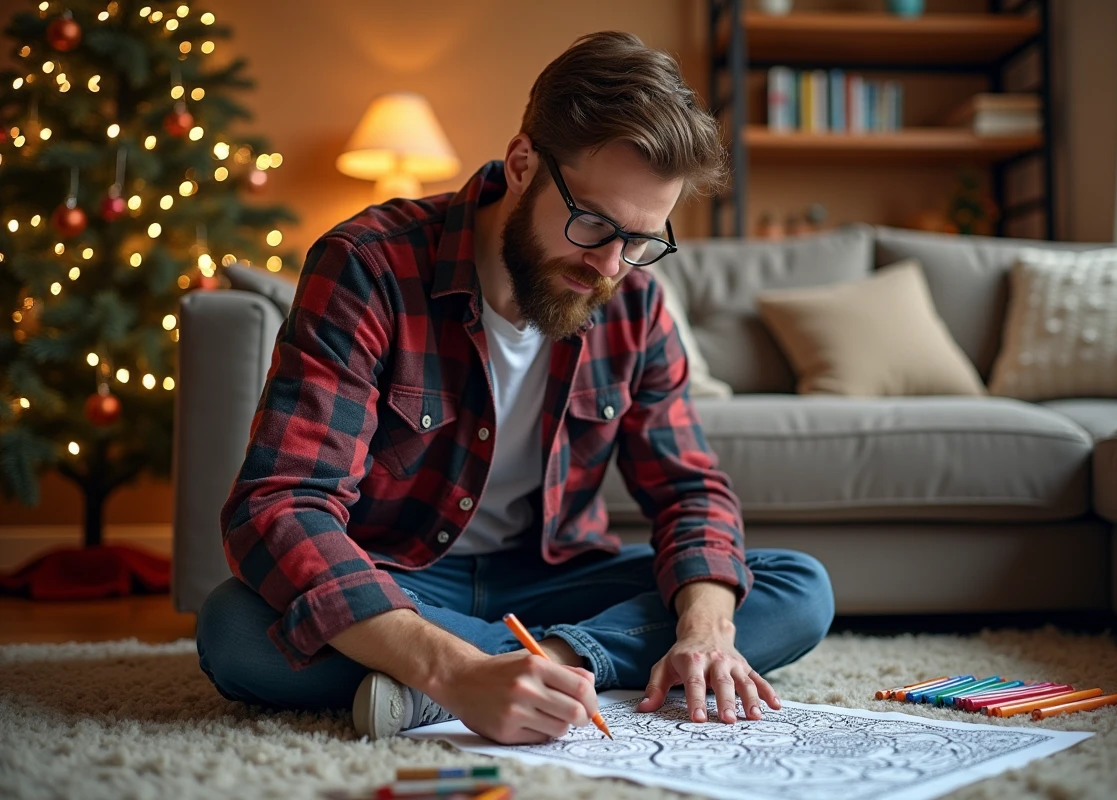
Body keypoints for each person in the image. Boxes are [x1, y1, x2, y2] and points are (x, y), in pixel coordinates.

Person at [196, 30, 834, 745]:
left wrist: (707, 633)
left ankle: (531, 670)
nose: (610, 265)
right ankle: (486, 674)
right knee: (235, 630)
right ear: (524, 162)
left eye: (641, 240)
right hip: (406, 576)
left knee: (794, 587)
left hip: (552, 579)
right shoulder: (367, 265)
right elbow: (281, 501)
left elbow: (691, 492)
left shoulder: (638, 303)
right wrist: (454, 668)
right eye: (592, 222)